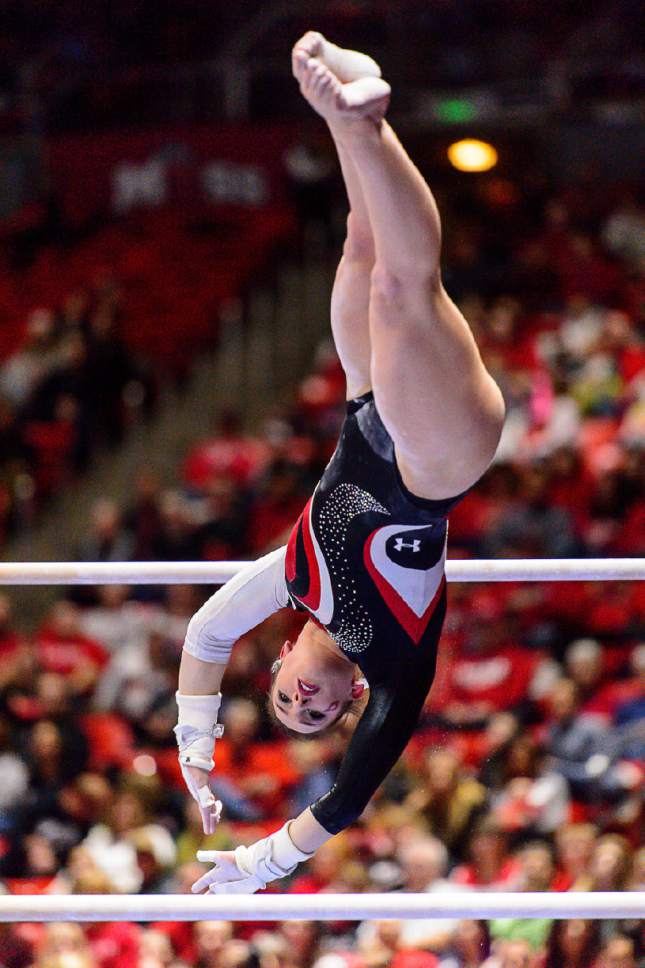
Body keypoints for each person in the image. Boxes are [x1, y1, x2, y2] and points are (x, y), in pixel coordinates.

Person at [174, 31, 505, 894]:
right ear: (349, 700)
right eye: (315, 714)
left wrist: (194, 750)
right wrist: (266, 859)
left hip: (366, 405)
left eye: (287, 699)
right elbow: (349, 795)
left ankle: (345, 107)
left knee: (361, 245)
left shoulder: (289, 579)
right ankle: (364, 121)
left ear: (281, 657)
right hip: (433, 460)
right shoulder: (395, 663)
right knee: (401, 288)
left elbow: (207, 632)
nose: (303, 704)